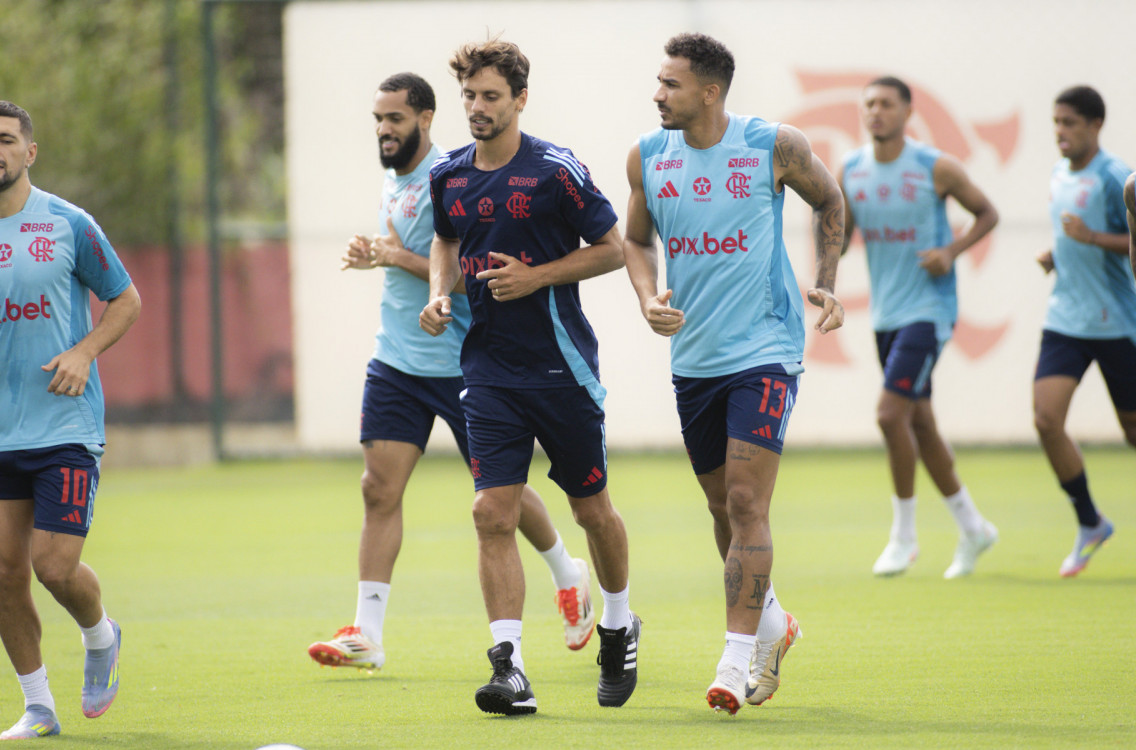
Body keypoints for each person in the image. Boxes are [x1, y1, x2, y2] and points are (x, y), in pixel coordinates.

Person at [306, 73, 595, 673]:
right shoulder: (396, 180)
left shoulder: (456, 176)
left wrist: (396, 259)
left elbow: (471, 268)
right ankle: (368, 633)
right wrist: (377, 257)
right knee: (376, 488)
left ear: (427, 118)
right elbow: (418, 257)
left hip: (465, 361)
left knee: (501, 498)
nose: (385, 130)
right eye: (378, 119)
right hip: (397, 361)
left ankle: (567, 570)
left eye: (395, 119)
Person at [623, 33, 844, 715]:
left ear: (710, 92)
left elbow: (830, 202)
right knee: (724, 510)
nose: (657, 94)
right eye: (658, 82)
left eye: (671, 84)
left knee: (748, 504)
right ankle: (773, 623)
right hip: (693, 362)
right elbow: (634, 240)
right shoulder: (648, 157)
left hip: (764, 352)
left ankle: (733, 660)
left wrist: (825, 282)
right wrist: (648, 296)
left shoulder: (770, 145)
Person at [419, 39, 638, 716]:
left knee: (591, 511)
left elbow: (613, 248)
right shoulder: (449, 175)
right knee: (491, 513)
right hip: (488, 371)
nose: (477, 109)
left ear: (519, 99)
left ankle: (619, 623)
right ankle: (509, 666)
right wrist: (439, 291)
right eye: (469, 97)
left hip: (561, 369)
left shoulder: (556, 171)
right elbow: (447, 240)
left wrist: (536, 276)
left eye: (490, 96)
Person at [0, 101, 140, 740]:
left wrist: (83, 352)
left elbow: (125, 300)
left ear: (29, 152)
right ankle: (39, 706)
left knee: (53, 566)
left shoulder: (69, 223)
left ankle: (100, 635)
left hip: (65, 428)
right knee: (3, 574)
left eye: (4, 139)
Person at [838, 77, 1000, 579]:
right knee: (921, 424)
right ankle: (974, 527)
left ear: (908, 111)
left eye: (886, 103)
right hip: (885, 315)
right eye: (869, 104)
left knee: (890, 416)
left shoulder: (936, 167)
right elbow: (841, 237)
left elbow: (987, 213)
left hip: (928, 312)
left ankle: (904, 538)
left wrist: (950, 252)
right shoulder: (852, 171)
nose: (876, 111)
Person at [1033, 86, 1136, 577]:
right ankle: (1090, 521)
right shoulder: (1058, 173)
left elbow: (1127, 238)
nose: (1060, 132)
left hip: (1116, 321)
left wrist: (1091, 238)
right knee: (1047, 419)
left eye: (1070, 122)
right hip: (1066, 319)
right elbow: (1069, 232)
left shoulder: (1116, 177)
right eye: (1056, 122)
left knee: (1133, 431)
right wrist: (1058, 254)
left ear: (1096, 125)